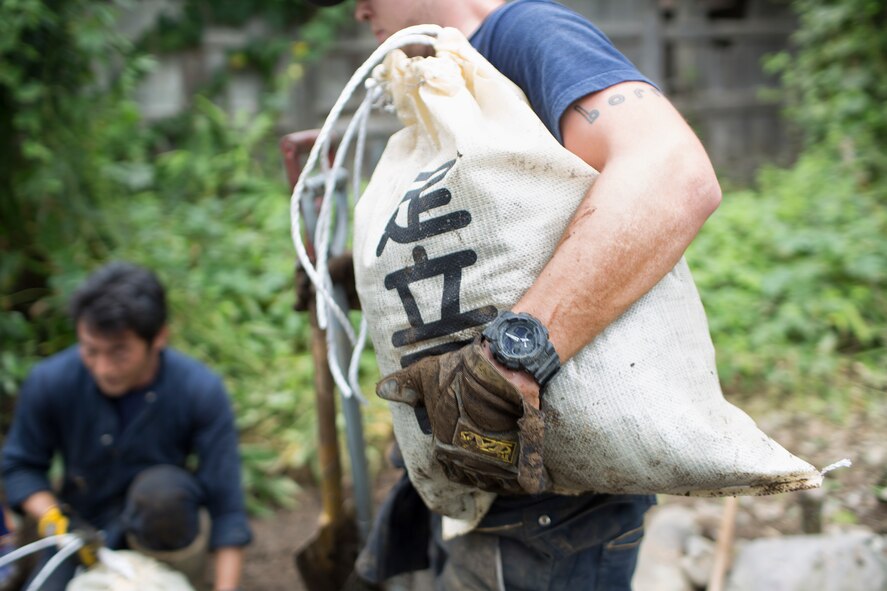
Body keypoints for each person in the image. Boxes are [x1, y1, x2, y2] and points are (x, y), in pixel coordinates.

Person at [308, 0, 722, 589]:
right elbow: (502, 248)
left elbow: (673, 171)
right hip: (474, 479)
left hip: (555, 511)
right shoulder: (451, 74)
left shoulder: (526, 34)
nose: (356, 11)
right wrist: (359, 280)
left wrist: (514, 353)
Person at [1, 262, 252, 591]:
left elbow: (227, 507)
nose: (103, 368)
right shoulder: (52, 381)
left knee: (162, 494)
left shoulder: (198, 390)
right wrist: (55, 520)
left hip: (162, 530)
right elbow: (21, 466)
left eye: (119, 353)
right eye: (91, 351)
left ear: (158, 337)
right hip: (81, 532)